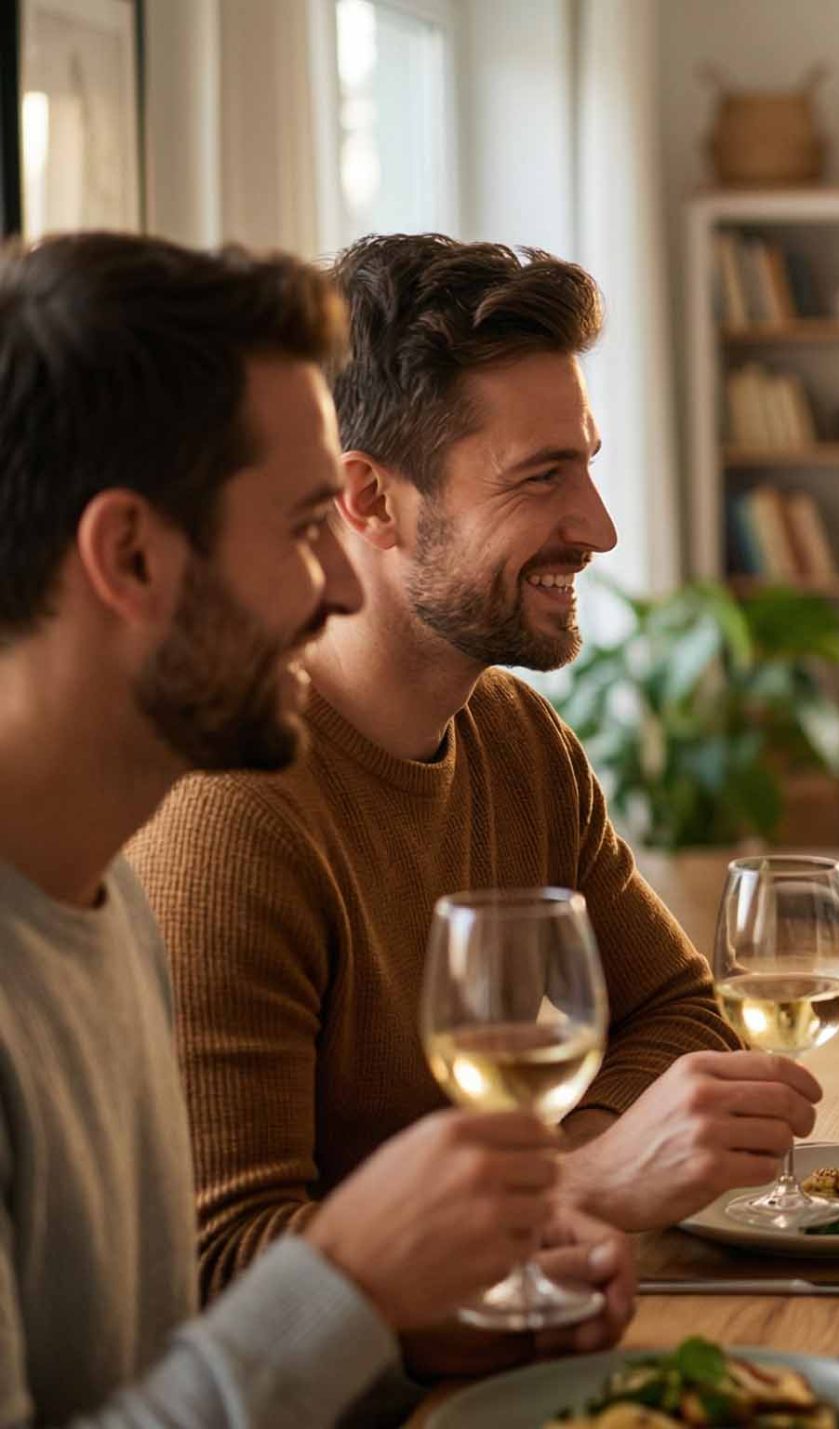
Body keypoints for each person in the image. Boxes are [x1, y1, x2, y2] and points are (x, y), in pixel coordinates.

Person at [0, 232, 632, 1427]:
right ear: (130, 556)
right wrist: (347, 1278)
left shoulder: (97, 897)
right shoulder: (181, 849)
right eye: (301, 526)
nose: (340, 589)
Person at [126, 235, 820, 1304]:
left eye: (587, 462)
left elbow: (680, 1012)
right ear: (368, 499)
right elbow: (220, 1268)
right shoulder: (232, 812)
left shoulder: (515, 736)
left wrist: (561, 1197)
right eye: (544, 477)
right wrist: (577, 1185)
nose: (598, 527)